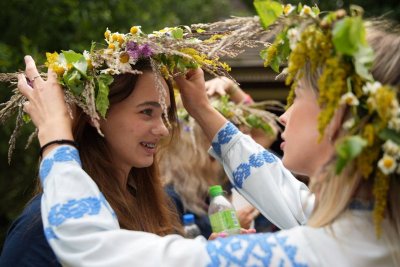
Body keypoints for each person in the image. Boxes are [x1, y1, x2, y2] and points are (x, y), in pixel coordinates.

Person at [7, 4, 400, 266]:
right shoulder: (376, 229)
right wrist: (203, 111)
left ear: (337, 120)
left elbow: (88, 243)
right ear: (98, 118)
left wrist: (57, 139)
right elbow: (287, 195)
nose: (286, 115)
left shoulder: (328, 251)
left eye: (297, 96)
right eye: (146, 112)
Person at [0, 25, 245, 266]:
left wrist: (208, 257)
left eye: (165, 114)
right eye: (147, 112)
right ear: (96, 114)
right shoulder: (44, 223)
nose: (163, 129)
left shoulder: (160, 204)